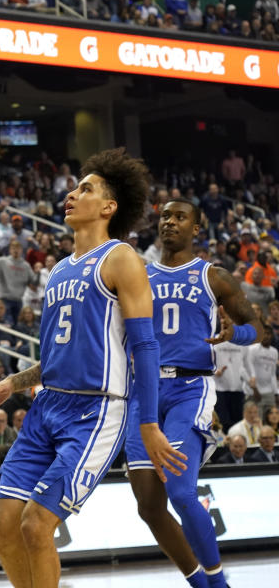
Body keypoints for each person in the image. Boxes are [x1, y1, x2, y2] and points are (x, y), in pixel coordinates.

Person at [0, 150, 185, 588]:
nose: (72, 194)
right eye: (74, 188)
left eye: (85, 189)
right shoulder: (57, 271)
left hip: (95, 412)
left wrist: (148, 423)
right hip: (47, 407)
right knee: (1, 527)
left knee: (37, 525)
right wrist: (11, 384)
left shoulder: (121, 258)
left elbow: (145, 345)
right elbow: (58, 357)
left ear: (109, 207)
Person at [122, 197, 267, 588]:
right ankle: (201, 584)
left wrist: (234, 333)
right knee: (149, 507)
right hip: (143, 391)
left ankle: (218, 584)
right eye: (165, 216)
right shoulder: (136, 275)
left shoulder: (213, 276)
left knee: (182, 493)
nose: (170, 222)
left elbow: (259, 330)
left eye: (180, 217)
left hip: (190, 386)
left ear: (196, 229)